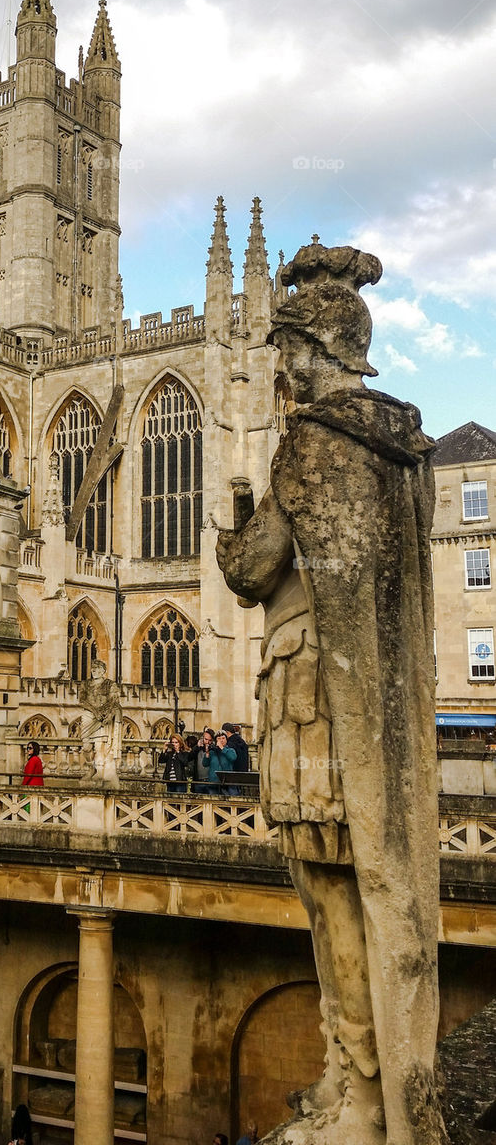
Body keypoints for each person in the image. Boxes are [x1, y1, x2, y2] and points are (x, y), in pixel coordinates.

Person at [216, 240, 445, 1144]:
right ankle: (370, 1083)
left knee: (328, 886)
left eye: (285, 350)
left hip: (310, 694)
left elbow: (253, 570)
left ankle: (357, 1090)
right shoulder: (405, 448)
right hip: (376, 708)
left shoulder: (311, 444)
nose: (279, 366)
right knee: (361, 885)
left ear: (311, 352)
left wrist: (235, 517)